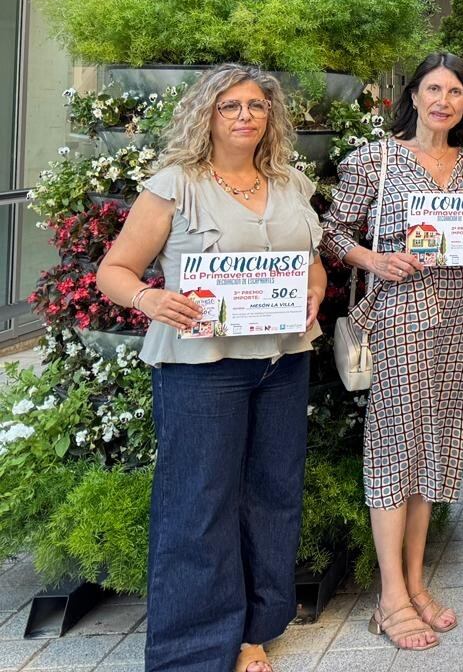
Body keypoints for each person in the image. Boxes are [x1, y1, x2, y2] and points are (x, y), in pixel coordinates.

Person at [96, 65, 328, 672]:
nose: (246, 116)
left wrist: (315, 286)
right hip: (204, 367)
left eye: (256, 105)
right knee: (198, 504)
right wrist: (149, 299)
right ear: (208, 115)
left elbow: (313, 261)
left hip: (283, 360)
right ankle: (192, 654)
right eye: (231, 106)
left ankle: (254, 632)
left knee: (272, 498)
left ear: (270, 117)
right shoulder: (175, 185)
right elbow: (114, 271)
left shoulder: (292, 183)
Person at [321, 53, 463, 651]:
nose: (443, 100)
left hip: (458, 312)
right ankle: (389, 598)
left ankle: (414, 583)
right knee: (394, 443)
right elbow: (330, 232)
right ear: (413, 96)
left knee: (437, 438)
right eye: (433, 89)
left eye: (455, 91)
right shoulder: (374, 160)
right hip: (398, 314)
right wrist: (373, 259)